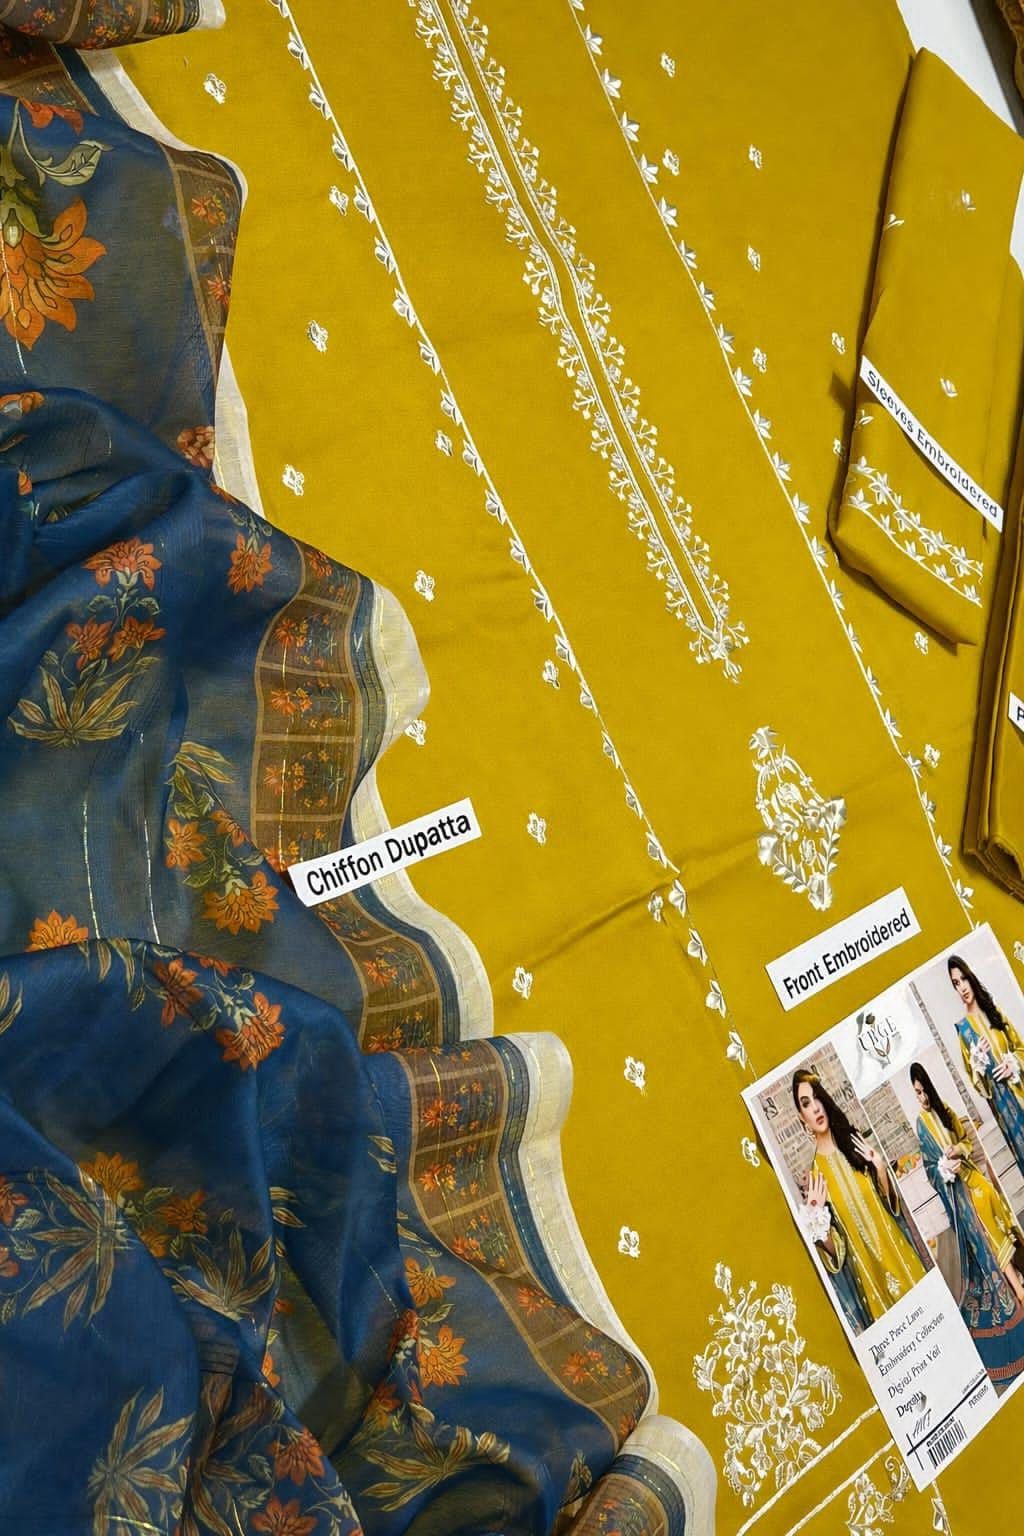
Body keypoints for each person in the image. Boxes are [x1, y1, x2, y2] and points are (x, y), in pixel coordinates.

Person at [911, 1061, 1024, 1382]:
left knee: (989, 1198)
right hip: (956, 1190)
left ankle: (1016, 1272)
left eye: (923, 1090)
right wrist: (942, 1168)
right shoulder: (921, 1125)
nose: (922, 1097)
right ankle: (1016, 1288)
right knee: (981, 1222)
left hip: (971, 1176)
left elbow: (967, 1142)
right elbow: (929, 1168)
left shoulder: (945, 1110)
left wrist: (957, 1150)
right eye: (917, 1093)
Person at [793, 1068, 925, 1333]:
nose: (815, 1107)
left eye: (817, 1098)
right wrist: (818, 1223)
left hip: (901, 1258)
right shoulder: (817, 1177)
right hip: (871, 1283)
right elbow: (838, 1252)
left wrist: (880, 1168)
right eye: (806, 1103)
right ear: (801, 1117)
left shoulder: (855, 1147)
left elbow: (890, 1205)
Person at [949, 954, 1024, 1169]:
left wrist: (1013, 1064)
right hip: (1005, 1109)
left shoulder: (994, 1012)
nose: (962, 987)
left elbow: (1020, 1047)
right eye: (956, 983)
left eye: (963, 979)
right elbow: (979, 1086)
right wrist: (978, 1064)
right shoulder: (963, 1031)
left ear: (971, 977)